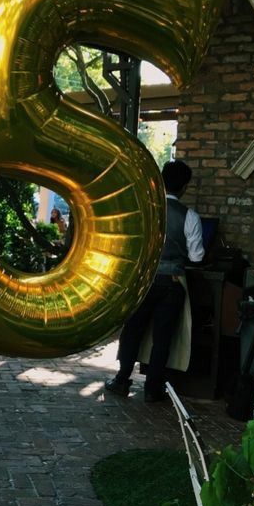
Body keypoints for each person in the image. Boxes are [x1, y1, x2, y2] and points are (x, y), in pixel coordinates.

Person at [105, 159, 204, 404]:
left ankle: (121, 380)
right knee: (163, 337)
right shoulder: (189, 216)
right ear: (184, 187)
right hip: (171, 283)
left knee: (132, 332)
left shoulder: (144, 211)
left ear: (159, 181)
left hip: (143, 282)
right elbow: (197, 256)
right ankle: (152, 389)